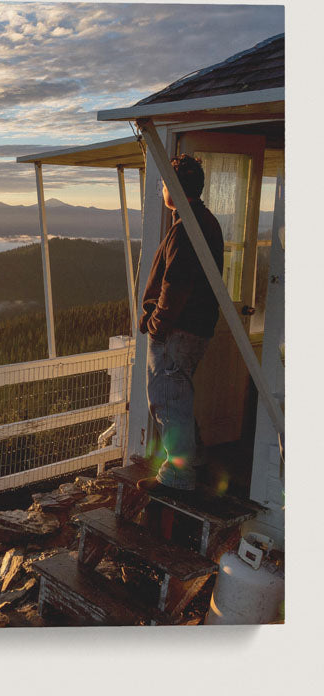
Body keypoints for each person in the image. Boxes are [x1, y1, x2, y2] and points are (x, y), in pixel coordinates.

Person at [137, 154, 224, 493]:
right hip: (191, 329)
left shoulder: (189, 226)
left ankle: (178, 476)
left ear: (174, 188)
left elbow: (177, 284)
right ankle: (195, 461)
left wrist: (157, 324)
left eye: (162, 183)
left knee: (169, 402)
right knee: (179, 398)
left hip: (177, 331)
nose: (160, 189)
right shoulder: (202, 221)